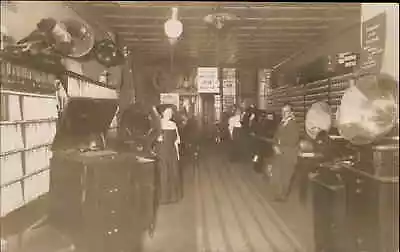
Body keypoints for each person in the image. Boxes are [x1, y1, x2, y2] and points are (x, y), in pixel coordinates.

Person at [154, 106, 183, 204]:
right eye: (168, 113)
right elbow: (177, 140)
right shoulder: (165, 124)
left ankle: (170, 197)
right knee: (168, 173)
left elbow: (176, 140)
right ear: (163, 113)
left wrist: (177, 154)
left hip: (167, 151)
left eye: (170, 113)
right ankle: (170, 197)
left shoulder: (167, 124)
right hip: (167, 151)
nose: (169, 115)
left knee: (169, 173)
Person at [271, 103, 300, 202]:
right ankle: (279, 194)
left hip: (288, 154)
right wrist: (274, 145)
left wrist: (280, 146)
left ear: (291, 113)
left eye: (286, 111)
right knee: (276, 174)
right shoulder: (282, 123)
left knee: (286, 176)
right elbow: (275, 136)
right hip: (279, 153)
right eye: (282, 111)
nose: (284, 113)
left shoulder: (294, 125)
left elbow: (293, 140)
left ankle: (283, 195)